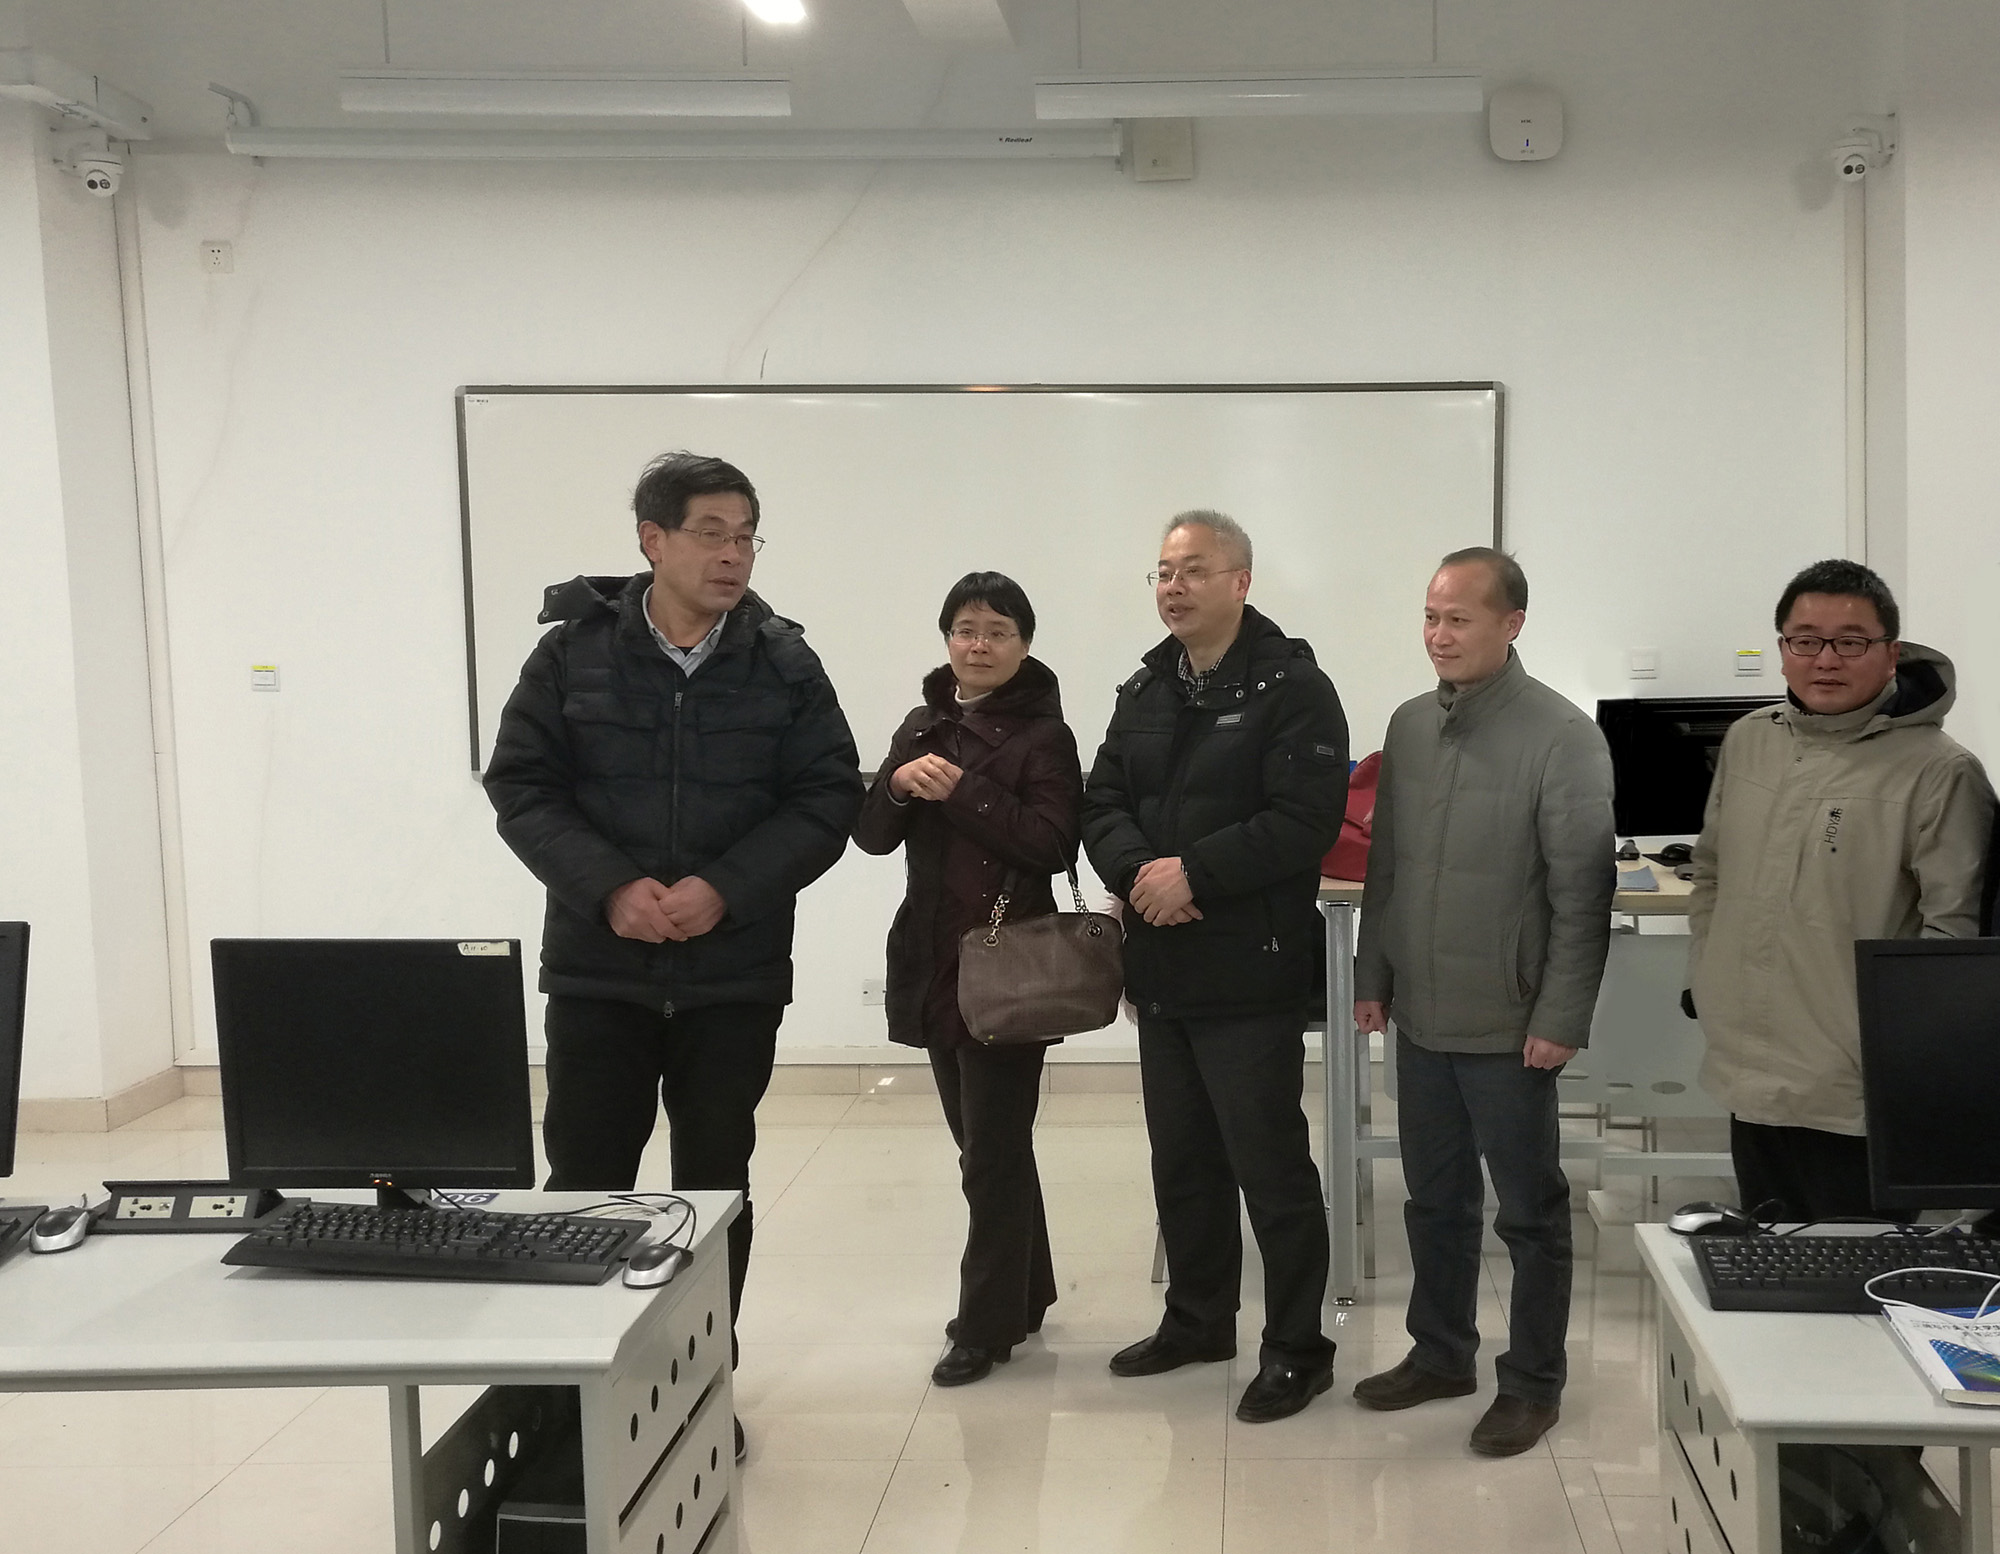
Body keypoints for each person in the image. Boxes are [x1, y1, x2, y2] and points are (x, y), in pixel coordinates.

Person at [483, 451, 863, 1462]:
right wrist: (610, 886)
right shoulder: (571, 655)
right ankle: (573, 1398)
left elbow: (827, 797)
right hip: (599, 970)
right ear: (652, 540)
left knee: (712, 1186)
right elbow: (521, 785)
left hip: (730, 975)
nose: (732, 555)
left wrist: (725, 888)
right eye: (711, 533)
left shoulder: (784, 663)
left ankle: (700, 1383)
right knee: (586, 1182)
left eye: (746, 537)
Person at [1081, 510, 1349, 1425]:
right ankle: (1198, 1322)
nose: (1174, 586)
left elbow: (1304, 820)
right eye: (1163, 571)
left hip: (1249, 968)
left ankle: (1298, 1350)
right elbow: (1102, 799)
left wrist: (1192, 873)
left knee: (1270, 1170)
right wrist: (1138, 875)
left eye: (1193, 570)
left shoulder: (1294, 688)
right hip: (1162, 964)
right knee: (1184, 1161)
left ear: (1241, 581)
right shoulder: (1147, 685)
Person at [1351, 548, 1615, 1457]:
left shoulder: (1563, 737)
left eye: (1458, 619)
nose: (1438, 635)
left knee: (1529, 1214)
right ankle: (1440, 1354)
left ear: (1512, 624)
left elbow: (1583, 897)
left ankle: (1533, 1382)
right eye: (1430, 616)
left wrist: (1560, 1019)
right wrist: (1373, 976)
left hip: (1511, 1023)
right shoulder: (1409, 726)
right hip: (1424, 1015)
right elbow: (1386, 868)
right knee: (1433, 1200)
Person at [1688, 558, 1994, 1222]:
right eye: (1806, 640)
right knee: (1767, 1262)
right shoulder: (1749, 741)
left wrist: (1900, 1065)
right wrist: (1711, 982)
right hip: (1749, 1072)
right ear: (1782, 650)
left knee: (1857, 1274)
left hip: (1852, 1091)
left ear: (1891, 654)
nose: (1825, 659)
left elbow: (1951, 943)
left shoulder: (1941, 773)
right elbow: (1711, 874)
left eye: (1850, 642)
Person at [853, 573, 1083, 1388]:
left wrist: (965, 790)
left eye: (997, 631)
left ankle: (983, 1328)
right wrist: (893, 784)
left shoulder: (1046, 736)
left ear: (1024, 643)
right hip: (932, 960)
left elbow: (1053, 844)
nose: (978, 645)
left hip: (1006, 965)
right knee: (986, 1146)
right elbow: (871, 836)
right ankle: (1028, 1290)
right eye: (964, 629)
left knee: (990, 1154)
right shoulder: (923, 723)